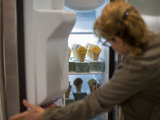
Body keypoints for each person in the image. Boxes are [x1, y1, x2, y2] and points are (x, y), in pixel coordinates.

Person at [10, 0, 160, 120]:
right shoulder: (155, 42)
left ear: (119, 40)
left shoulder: (139, 66)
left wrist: (45, 115)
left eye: (109, 42)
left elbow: (97, 103)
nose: (111, 47)